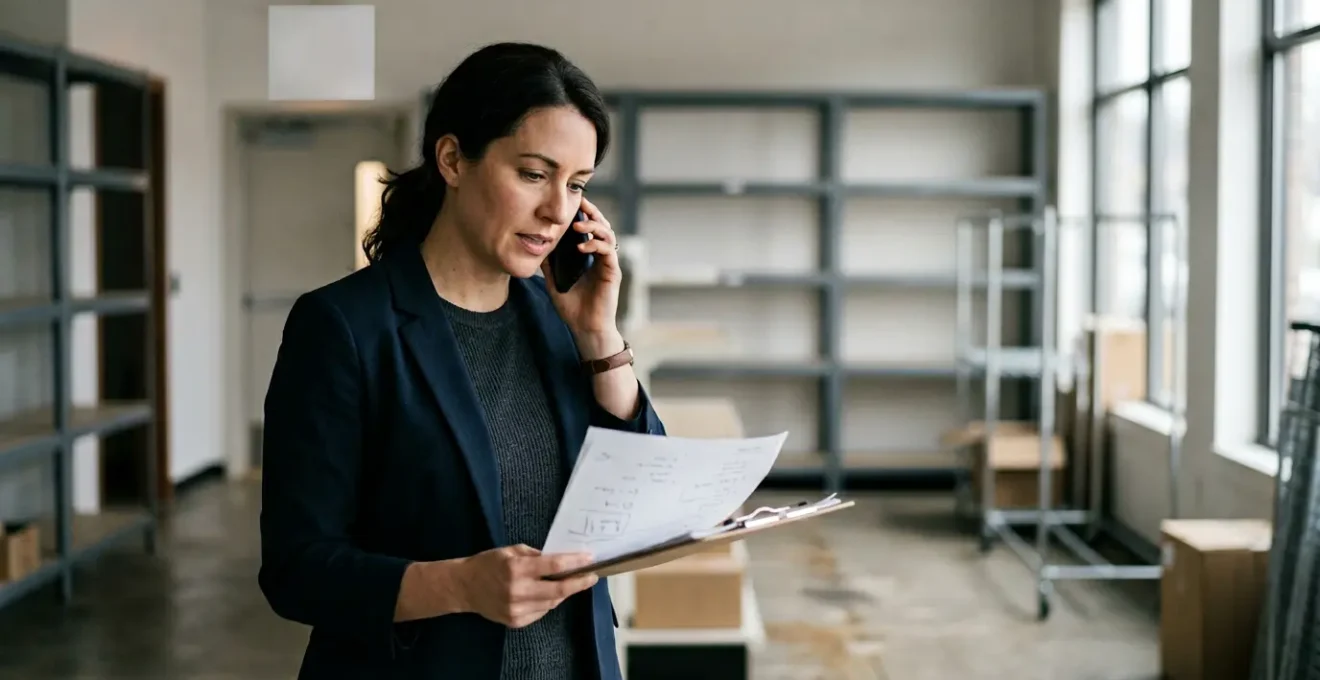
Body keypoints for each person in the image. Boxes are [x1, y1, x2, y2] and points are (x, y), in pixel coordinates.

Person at [257, 41, 667, 680]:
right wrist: (457, 586)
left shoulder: (561, 316)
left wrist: (599, 338)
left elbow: (643, 497)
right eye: (534, 174)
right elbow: (296, 569)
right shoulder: (344, 325)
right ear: (452, 159)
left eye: (577, 184)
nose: (558, 211)